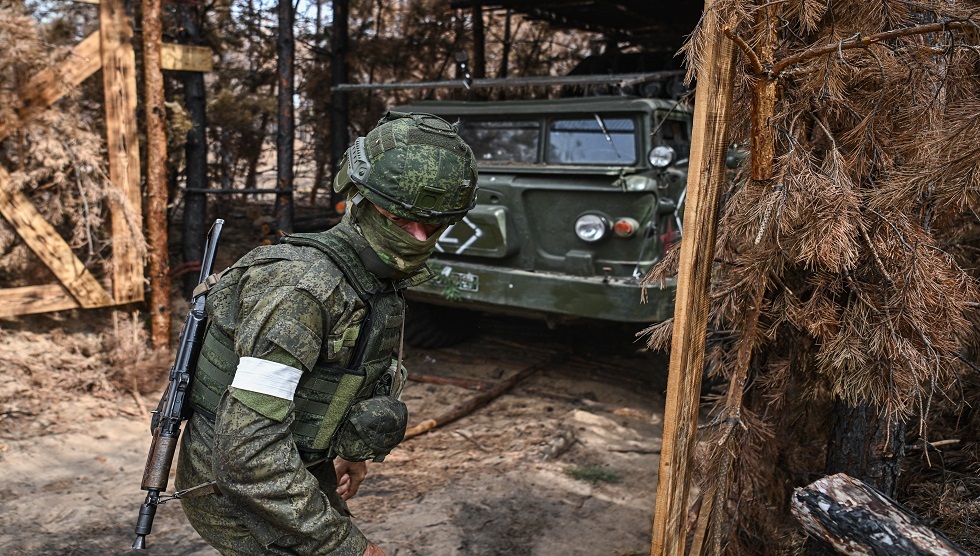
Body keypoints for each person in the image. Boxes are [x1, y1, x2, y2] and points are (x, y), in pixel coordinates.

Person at [174, 112, 478, 556]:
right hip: (235, 490)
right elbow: (246, 456)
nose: (416, 237)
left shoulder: (368, 275)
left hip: (294, 463)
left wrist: (353, 449)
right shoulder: (300, 291)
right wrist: (348, 547)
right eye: (398, 219)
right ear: (358, 197)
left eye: (433, 226)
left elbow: (356, 363)